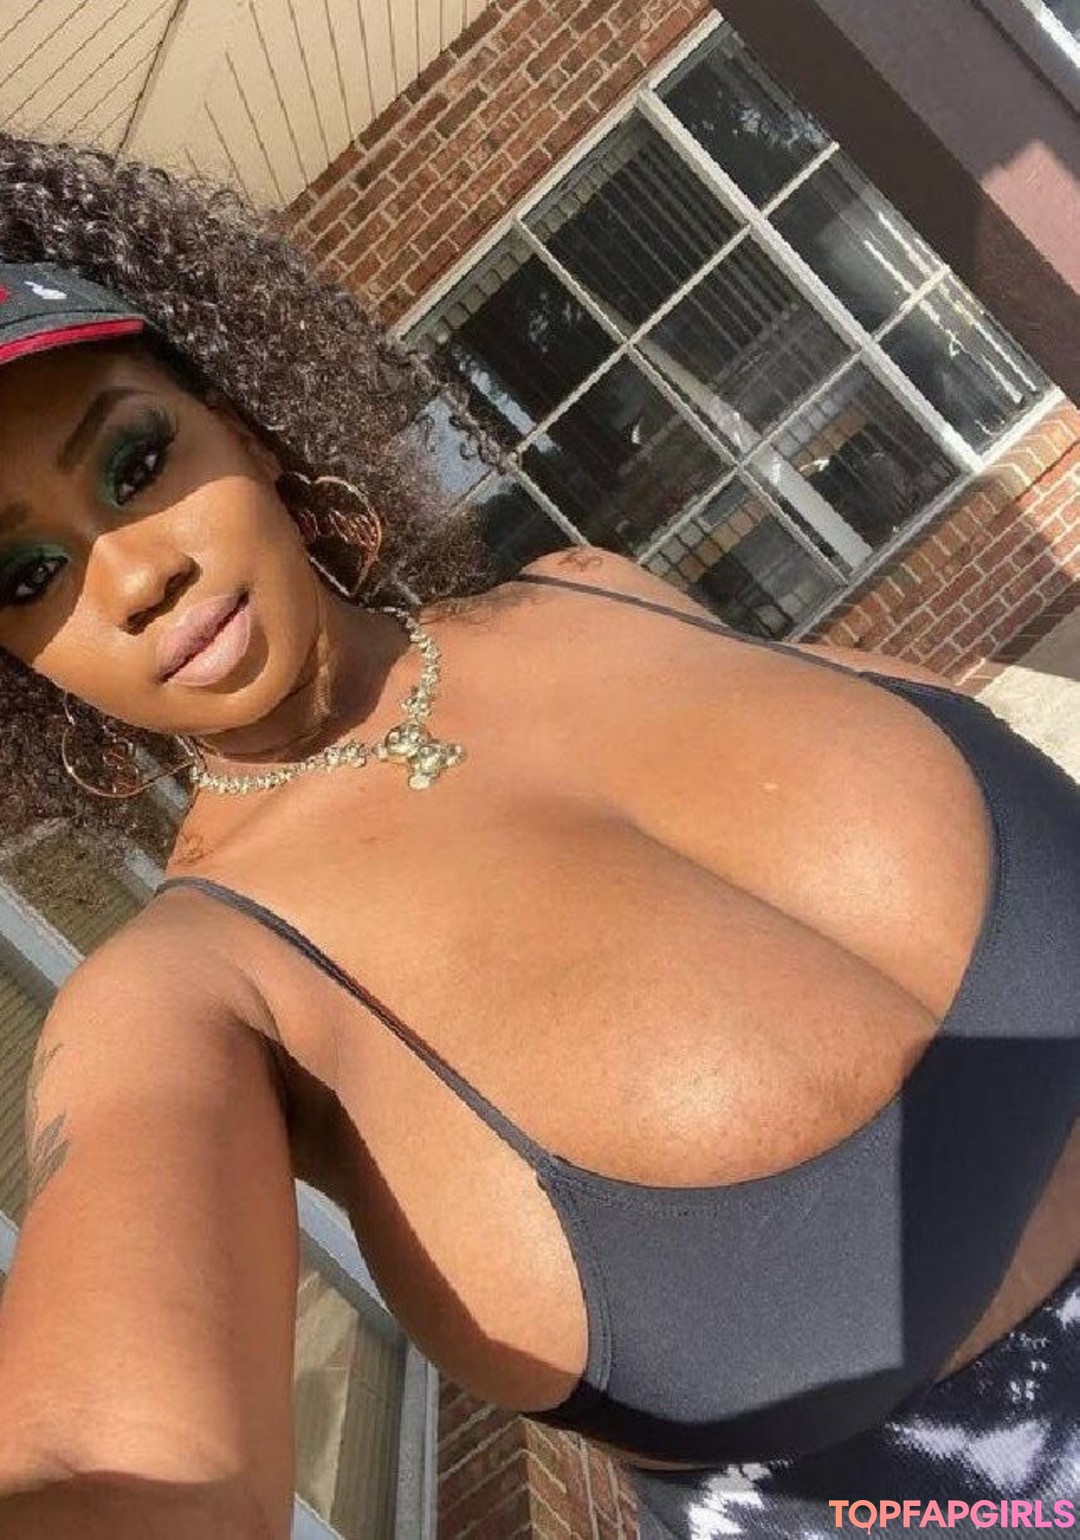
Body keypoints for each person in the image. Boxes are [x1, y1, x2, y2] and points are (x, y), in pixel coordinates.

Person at [0, 131, 1075, 1540]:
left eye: (137, 461)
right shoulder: (190, 989)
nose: (136, 576)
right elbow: (103, 1457)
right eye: (27, 572)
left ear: (243, 428)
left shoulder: (594, 589)